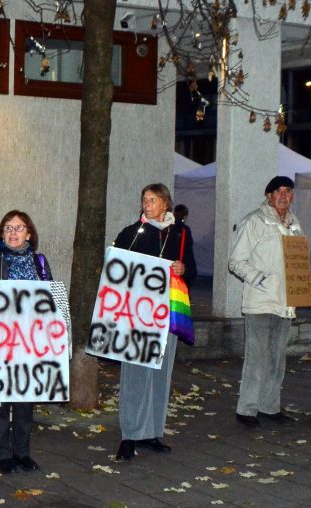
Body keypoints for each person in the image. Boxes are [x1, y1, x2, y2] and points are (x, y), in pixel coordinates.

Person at [110, 184, 197, 461]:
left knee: (161, 374)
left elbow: (192, 269)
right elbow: (115, 269)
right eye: (144, 199)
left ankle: (151, 432)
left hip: (167, 312)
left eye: (153, 200)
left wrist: (184, 270)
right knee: (135, 374)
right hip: (137, 314)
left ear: (165, 204)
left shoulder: (180, 234)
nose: (147, 204)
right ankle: (129, 435)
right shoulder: (131, 233)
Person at [0, 210, 54, 473]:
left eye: (18, 228)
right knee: (0, 402)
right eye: (7, 228)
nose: (13, 233)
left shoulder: (40, 263)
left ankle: (22, 453)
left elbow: (50, 299)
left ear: (29, 233)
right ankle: (2, 454)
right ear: (1, 233)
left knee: (25, 403)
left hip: (29, 342)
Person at [228, 176, 303, 428]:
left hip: (285, 302)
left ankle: (269, 406)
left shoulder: (294, 224)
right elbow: (236, 261)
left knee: (277, 358)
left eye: (288, 191)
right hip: (261, 301)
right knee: (257, 357)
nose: (284, 195)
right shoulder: (255, 221)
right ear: (269, 195)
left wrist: (299, 288)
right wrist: (260, 279)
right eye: (278, 191)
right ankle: (246, 409)